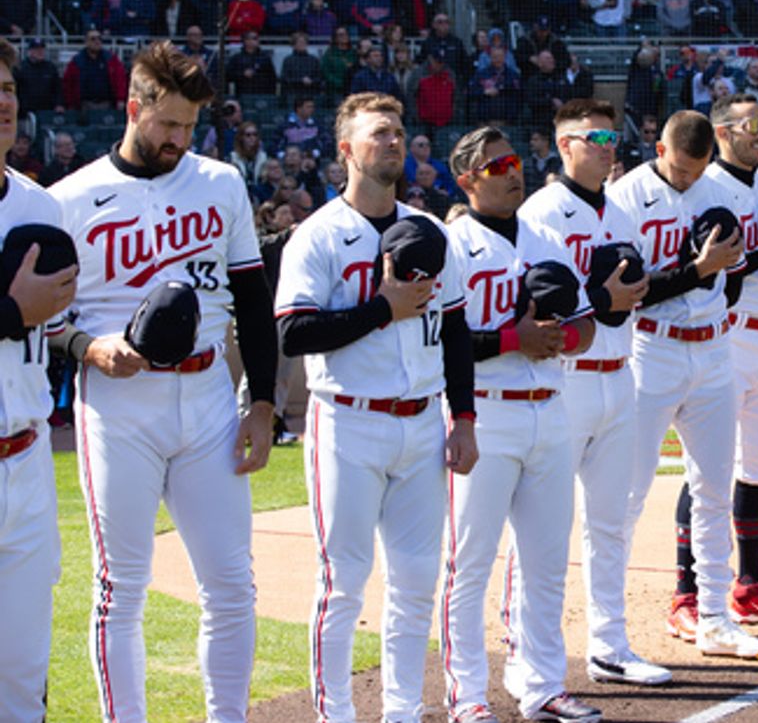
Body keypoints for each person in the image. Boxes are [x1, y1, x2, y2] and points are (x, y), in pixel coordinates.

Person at [50, 41, 278, 723]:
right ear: (134, 107)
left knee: (232, 584)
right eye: (167, 124)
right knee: (122, 588)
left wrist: (261, 402)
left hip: (208, 394)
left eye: (189, 126)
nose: (179, 139)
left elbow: (252, 301)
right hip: (121, 402)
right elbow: (47, 320)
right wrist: (90, 346)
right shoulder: (72, 198)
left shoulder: (219, 182)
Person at [275, 90, 477, 722]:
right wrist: (380, 309)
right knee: (342, 585)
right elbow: (293, 334)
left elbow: (456, 333)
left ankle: (402, 712)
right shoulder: (318, 235)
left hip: (421, 422)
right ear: (346, 151)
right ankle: (335, 715)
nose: (392, 140)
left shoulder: (434, 231)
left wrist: (464, 419)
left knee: (418, 582)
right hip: (347, 422)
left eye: (398, 130)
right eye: (378, 133)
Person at [441, 126, 603, 723]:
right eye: (496, 165)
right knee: (470, 560)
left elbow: (586, 328)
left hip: (550, 409)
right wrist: (516, 337)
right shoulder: (452, 244)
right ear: (467, 181)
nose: (513, 171)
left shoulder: (547, 238)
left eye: (513, 160)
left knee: (545, 559)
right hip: (483, 410)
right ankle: (468, 695)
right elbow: (442, 342)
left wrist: (561, 334)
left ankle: (541, 686)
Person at [612, 112, 758, 660]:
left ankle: (714, 617)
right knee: (627, 493)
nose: (687, 178)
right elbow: (629, 291)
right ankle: (609, 629)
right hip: (652, 347)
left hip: (712, 348)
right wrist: (700, 270)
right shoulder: (628, 195)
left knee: (713, 489)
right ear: (658, 147)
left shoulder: (721, 189)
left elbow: (729, 278)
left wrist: (716, 276)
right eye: (680, 168)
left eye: (697, 168)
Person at [514, 99, 667, 687]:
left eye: (611, 134)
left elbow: (636, 288)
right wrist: (604, 299)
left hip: (619, 374)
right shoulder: (541, 212)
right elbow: (545, 300)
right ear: (564, 146)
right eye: (593, 135)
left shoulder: (622, 210)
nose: (606, 144)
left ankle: (609, 646)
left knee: (610, 522)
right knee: (542, 526)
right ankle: (523, 645)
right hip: (565, 380)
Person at [669, 95, 758, 627]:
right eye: (751, 124)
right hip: (723, 337)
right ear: (723, 131)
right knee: (707, 468)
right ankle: (686, 593)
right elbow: (703, 269)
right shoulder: (705, 190)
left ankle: (748, 585)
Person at [0, 35, 78, 722]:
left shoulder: (40, 207)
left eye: (6, 88)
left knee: (23, 675)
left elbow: (52, 327)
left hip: (23, 461)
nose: (0, 100)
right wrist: (9, 311)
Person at [62, 29, 128, 110]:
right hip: (84, 106)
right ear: (86, 42)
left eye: (99, 38)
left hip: (107, 104)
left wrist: (120, 99)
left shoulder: (111, 59)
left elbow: (120, 80)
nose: (97, 41)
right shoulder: (77, 61)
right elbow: (68, 83)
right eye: (93, 39)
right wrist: (70, 104)